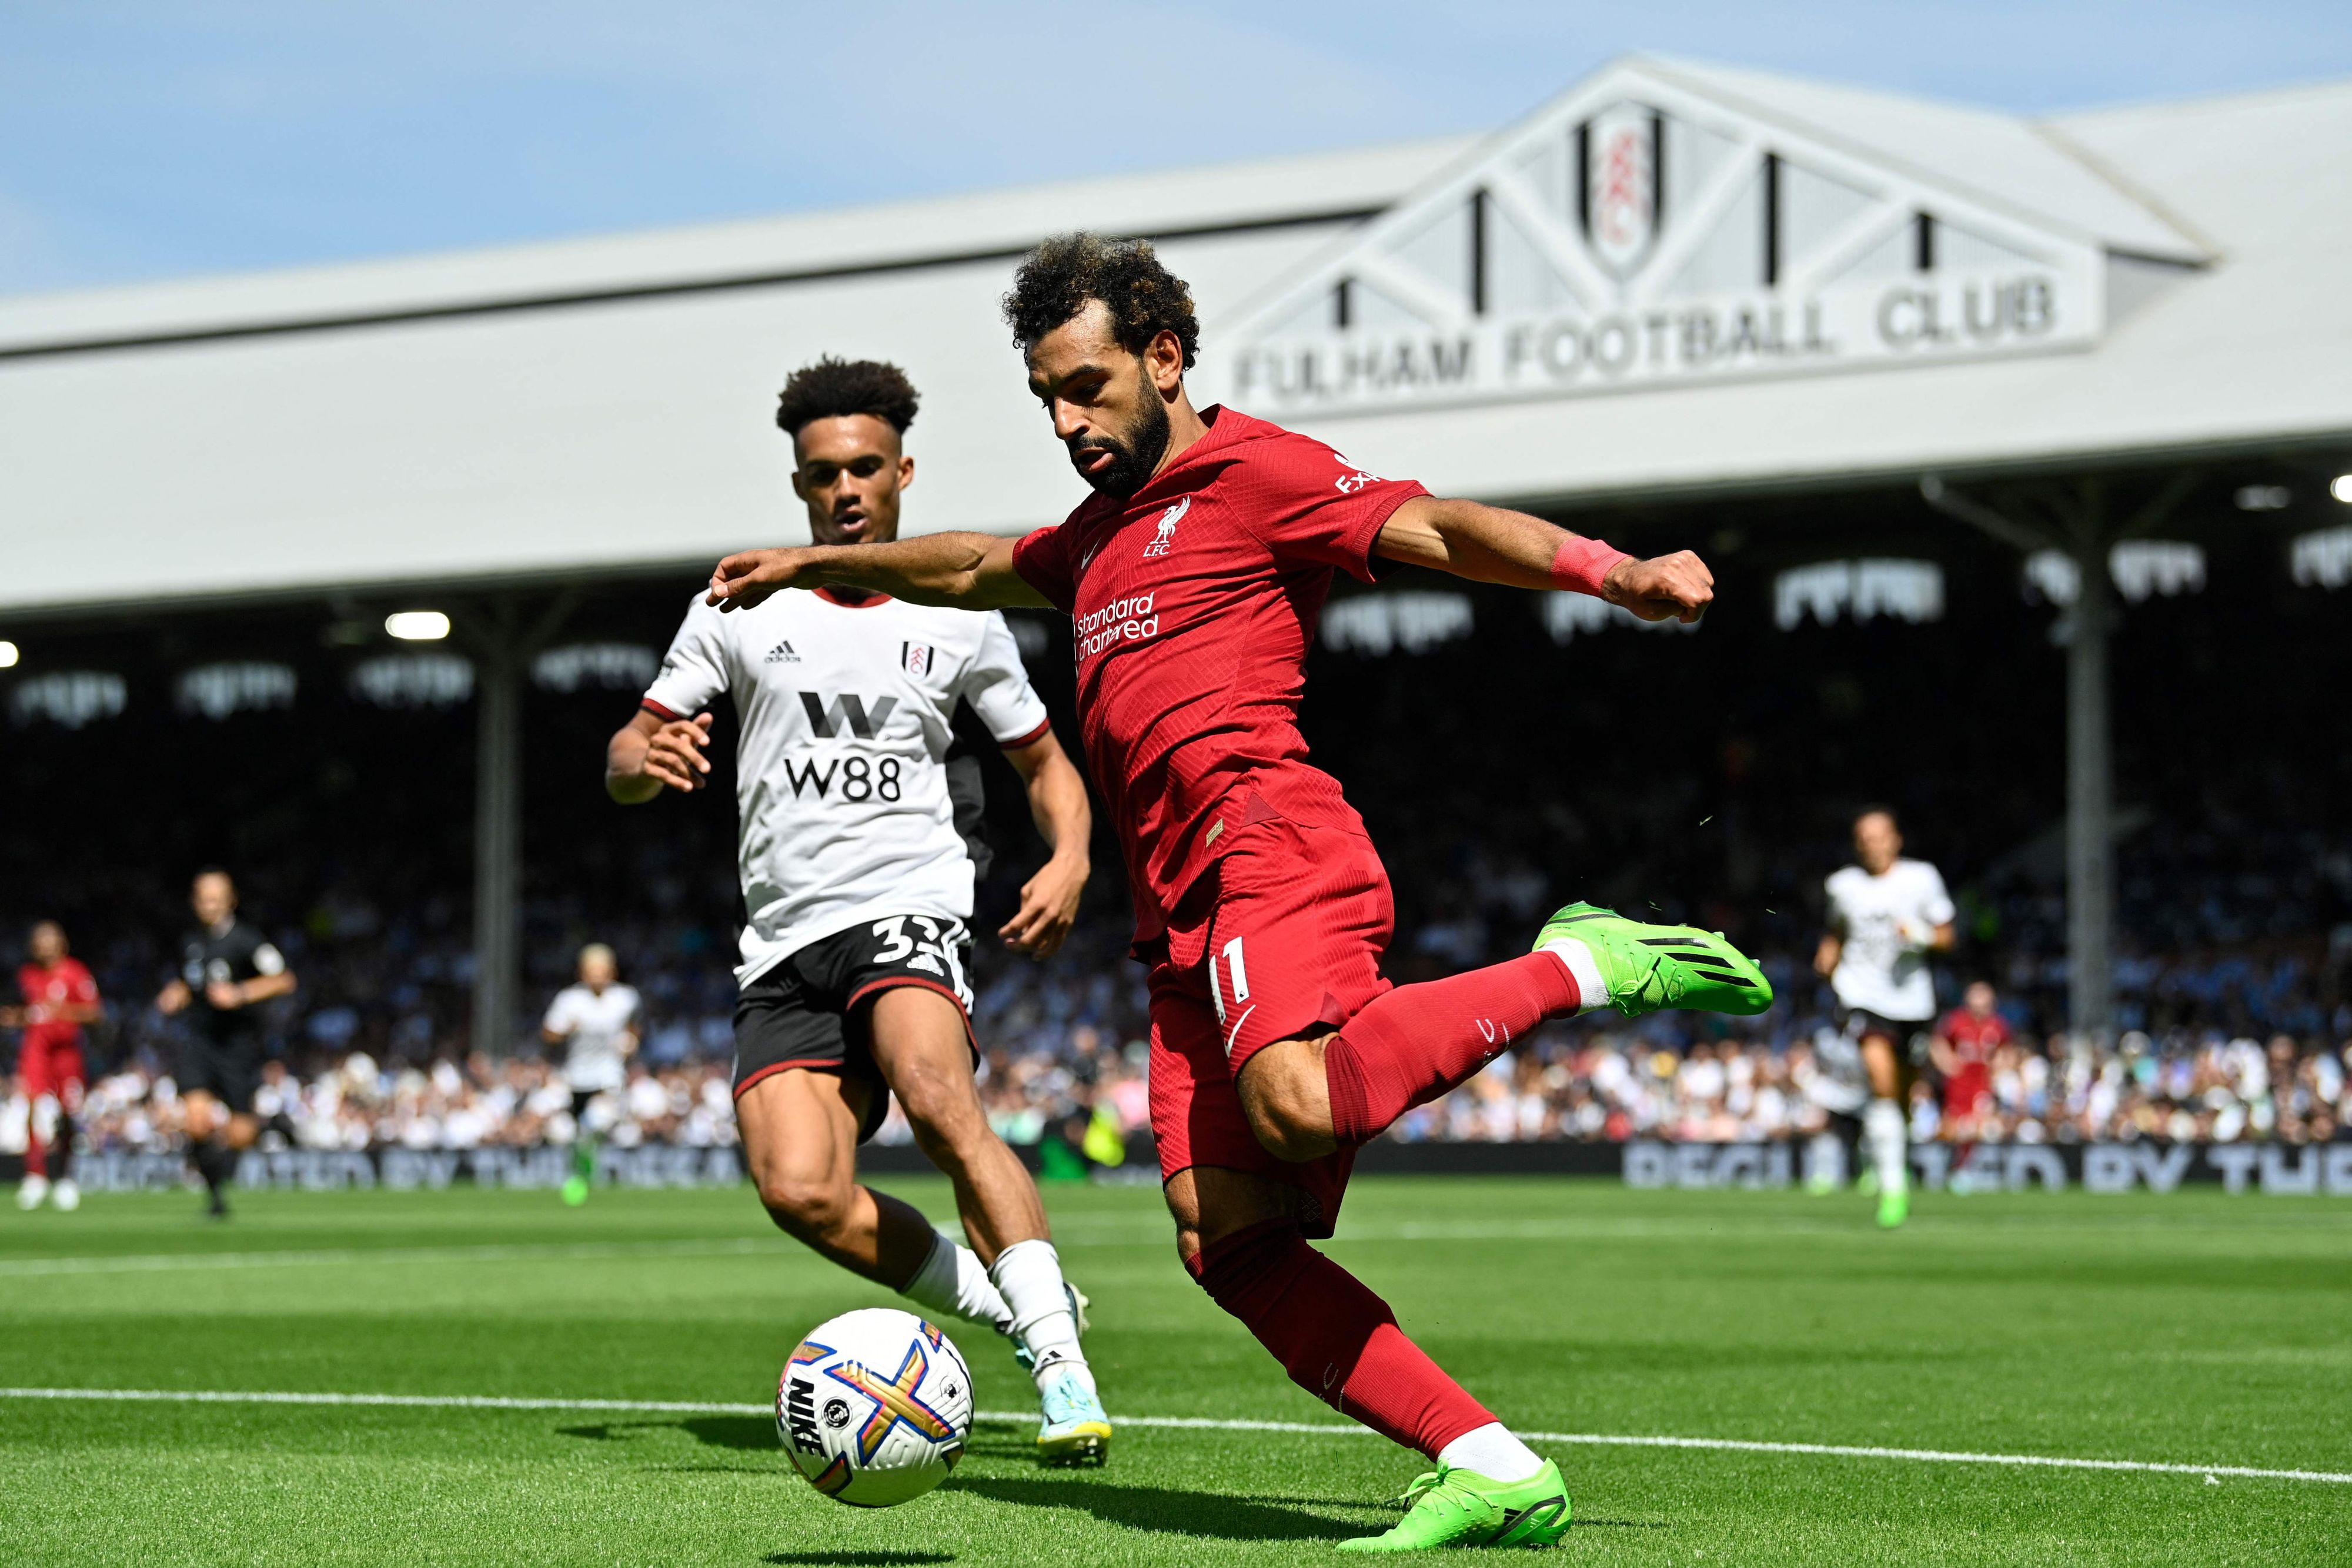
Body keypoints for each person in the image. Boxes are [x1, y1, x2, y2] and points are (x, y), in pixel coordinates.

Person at [701, 237, 1773, 1552]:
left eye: (1086, 386)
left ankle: (1583, 963)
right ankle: (1491, 1466)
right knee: (1228, 1239)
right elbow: (975, 562)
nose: (1066, 421)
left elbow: (1438, 525)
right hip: (1175, 916)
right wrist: (808, 567)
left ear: (1163, 358)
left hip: (1266, 841)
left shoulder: (1256, 474)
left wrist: (1609, 571)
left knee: (1297, 1096)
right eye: (1045, 397)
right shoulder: (1092, 538)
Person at [607, 356, 1111, 1465]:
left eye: (867, 468)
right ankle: (1017, 1303)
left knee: (936, 1094)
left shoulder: (960, 610)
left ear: (903, 473)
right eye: (825, 473)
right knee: (801, 1190)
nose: (847, 488)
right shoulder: (739, 602)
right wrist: (648, 758)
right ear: (800, 483)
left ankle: (1062, 1367)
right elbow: (626, 753)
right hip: (784, 937)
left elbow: (1044, 763)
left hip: (906, 902)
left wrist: (1072, 853)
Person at [1813, 808, 1956, 1230]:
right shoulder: (1843, 885)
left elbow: (1948, 936)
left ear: (1896, 839)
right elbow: (1837, 930)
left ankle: (1893, 1162)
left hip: (1912, 1002)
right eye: (1865, 838)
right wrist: (1828, 955)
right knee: (1881, 1083)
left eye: (1880, 836)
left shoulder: (1922, 878)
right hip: (1861, 995)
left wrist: (1920, 935)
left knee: (1903, 1099)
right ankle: (1893, 1190)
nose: (1872, 845)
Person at [155, 870, 296, 1219]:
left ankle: (270, 1130)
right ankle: (216, 1197)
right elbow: (191, 981)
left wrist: (241, 993)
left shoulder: (247, 941)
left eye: (216, 899)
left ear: (230, 901)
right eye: (204, 899)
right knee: (195, 1121)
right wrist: (177, 993)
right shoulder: (192, 942)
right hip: (200, 1041)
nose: (209, 906)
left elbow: (284, 979)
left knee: (241, 1134)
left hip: (237, 1045)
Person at [5, 921, 102, 1211]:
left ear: (62, 944)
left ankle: (66, 1177)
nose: (45, 948)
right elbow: (22, 1011)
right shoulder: (27, 975)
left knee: (68, 1111)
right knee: (32, 1106)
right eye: (40, 943)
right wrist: (16, 1017)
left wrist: (62, 1012)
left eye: (50, 942)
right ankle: (35, 1175)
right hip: (36, 1049)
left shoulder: (75, 973)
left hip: (67, 1052)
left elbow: (94, 1012)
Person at [541, 943, 642, 1206]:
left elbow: (635, 1027)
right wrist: (566, 1030)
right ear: (582, 973)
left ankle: (587, 1172)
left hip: (608, 1075)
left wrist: (631, 1043)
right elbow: (549, 1033)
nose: (598, 976)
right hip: (576, 1076)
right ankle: (578, 1171)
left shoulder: (625, 998)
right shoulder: (569, 1000)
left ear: (612, 972)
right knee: (562, 1132)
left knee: (597, 1120)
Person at [1932, 979, 2012, 1187]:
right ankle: (1951, 1167)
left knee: (1979, 1125)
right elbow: (1937, 1043)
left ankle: (1965, 1170)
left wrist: (1998, 1069)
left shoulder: (1997, 1025)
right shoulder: (1956, 1021)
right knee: (1954, 1129)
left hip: (1982, 1084)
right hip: (1958, 1085)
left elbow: (2005, 1050)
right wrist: (1948, 1064)